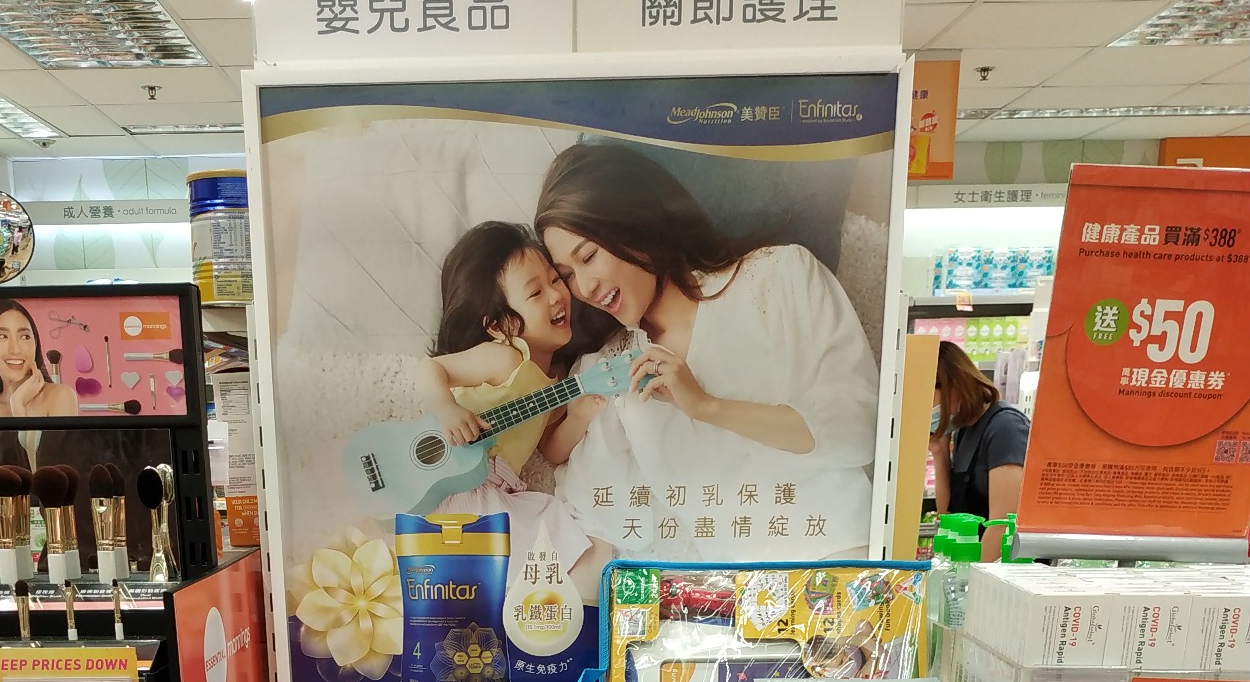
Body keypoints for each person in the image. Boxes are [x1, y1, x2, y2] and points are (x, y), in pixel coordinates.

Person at [535, 142, 879, 562]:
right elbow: (596, 518)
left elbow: (858, 427)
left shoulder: (778, 277)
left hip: (843, 559)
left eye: (588, 256)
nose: (584, 288)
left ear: (635, 223)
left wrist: (706, 406)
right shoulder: (611, 370)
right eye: (568, 275)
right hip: (730, 593)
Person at [413, 220, 612, 601]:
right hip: (460, 487)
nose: (556, 295)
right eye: (535, 292)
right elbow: (429, 369)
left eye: (555, 280)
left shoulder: (554, 382)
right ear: (499, 325)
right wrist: (446, 409)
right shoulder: (503, 358)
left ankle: (543, 614)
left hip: (500, 492)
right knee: (564, 550)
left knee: (584, 547)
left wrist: (578, 418)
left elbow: (551, 449)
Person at [930, 339, 1029, 557]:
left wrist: (974, 575)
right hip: (973, 563)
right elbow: (948, 516)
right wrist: (939, 451)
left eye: (927, 398)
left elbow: (1002, 526)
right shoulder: (964, 431)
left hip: (997, 566)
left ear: (954, 385)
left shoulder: (1005, 427)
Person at [0, 300, 79, 422]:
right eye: (2, 336)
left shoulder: (60, 396)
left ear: (35, 343)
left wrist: (18, 405)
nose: (15, 349)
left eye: (25, 337)